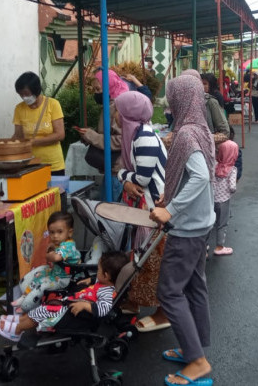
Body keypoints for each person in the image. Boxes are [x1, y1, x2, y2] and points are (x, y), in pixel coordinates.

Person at [149, 74, 215, 386]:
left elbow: (200, 177)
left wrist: (169, 209)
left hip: (187, 227)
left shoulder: (187, 134)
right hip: (202, 222)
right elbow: (194, 176)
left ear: (180, 100)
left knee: (169, 292)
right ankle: (195, 349)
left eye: (171, 97)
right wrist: (171, 195)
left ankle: (198, 362)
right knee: (194, 287)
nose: (169, 104)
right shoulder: (201, 128)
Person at [114, 90, 170, 333]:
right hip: (147, 207)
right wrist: (127, 179)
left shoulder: (144, 136)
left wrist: (121, 176)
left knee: (152, 260)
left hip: (154, 209)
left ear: (128, 113)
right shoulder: (136, 134)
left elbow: (143, 178)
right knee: (141, 256)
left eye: (117, 109)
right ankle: (135, 302)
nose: (115, 115)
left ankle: (164, 312)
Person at [0, 251, 128, 341]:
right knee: (43, 307)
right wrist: (91, 280)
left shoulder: (107, 292)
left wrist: (86, 305)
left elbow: (103, 308)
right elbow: (98, 283)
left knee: (42, 311)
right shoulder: (105, 283)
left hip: (75, 317)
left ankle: (17, 331)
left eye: (98, 270)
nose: (97, 272)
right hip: (68, 305)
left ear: (106, 276)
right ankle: (20, 321)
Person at [78, 69, 151, 200]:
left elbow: (122, 139)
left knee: (111, 211)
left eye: (98, 89)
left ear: (109, 86)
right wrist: (89, 135)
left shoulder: (120, 106)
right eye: (94, 89)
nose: (96, 93)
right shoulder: (111, 103)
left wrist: (93, 136)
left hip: (118, 169)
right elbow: (108, 131)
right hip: (112, 168)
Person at [12, 213, 81, 312]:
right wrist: (52, 249)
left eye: (59, 232)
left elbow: (56, 257)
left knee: (42, 284)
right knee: (38, 273)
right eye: (52, 232)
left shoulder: (68, 246)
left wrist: (48, 255)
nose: (55, 236)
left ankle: (26, 306)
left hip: (65, 279)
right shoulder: (61, 243)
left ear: (70, 232)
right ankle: (24, 296)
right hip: (56, 273)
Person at [12, 72, 66, 175]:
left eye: (26, 93)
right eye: (20, 94)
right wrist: (7, 146)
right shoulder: (19, 108)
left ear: (36, 90)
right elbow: (18, 136)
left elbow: (60, 134)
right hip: (29, 164)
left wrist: (33, 141)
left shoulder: (52, 104)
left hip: (53, 165)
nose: (24, 97)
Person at [210, 140, 238, 256]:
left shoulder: (214, 166)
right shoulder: (232, 170)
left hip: (212, 200)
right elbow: (232, 187)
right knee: (222, 224)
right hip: (224, 201)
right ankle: (219, 246)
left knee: (210, 223)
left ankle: (205, 247)